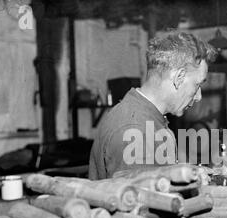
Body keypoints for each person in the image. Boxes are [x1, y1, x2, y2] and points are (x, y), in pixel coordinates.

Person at [89, 31, 217, 180]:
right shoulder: (133, 128)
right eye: (197, 84)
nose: (199, 96)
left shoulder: (147, 118)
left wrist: (188, 174)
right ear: (179, 77)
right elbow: (140, 200)